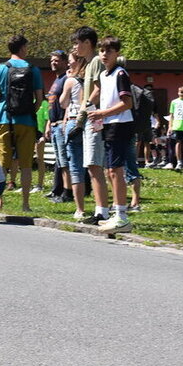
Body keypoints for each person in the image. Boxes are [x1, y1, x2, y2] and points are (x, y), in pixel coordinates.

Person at [0, 34, 44, 213]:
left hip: (4, 119)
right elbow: (39, 99)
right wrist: (29, 112)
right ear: (22, 48)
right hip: (26, 120)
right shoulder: (33, 69)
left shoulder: (0, 69)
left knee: (1, 163)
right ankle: (25, 204)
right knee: (26, 165)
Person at [89, 37, 134, 234]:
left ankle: (122, 217)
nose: (104, 54)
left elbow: (127, 103)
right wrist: (99, 120)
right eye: (102, 51)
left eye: (109, 51)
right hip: (108, 125)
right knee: (110, 171)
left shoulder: (120, 73)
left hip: (120, 125)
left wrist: (103, 114)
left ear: (117, 53)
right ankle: (116, 215)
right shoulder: (104, 75)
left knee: (116, 171)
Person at [73, 26, 110, 224]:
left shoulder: (95, 61)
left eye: (77, 43)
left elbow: (98, 90)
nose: (75, 47)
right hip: (90, 118)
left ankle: (102, 212)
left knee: (95, 165)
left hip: (94, 119)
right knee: (92, 166)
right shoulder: (88, 64)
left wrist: (82, 115)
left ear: (87, 43)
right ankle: (100, 210)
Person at [60, 51, 90, 221]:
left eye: (70, 61)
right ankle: (103, 207)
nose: (68, 64)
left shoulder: (71, 81)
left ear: (77, 62)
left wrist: (67, 80)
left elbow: (63, 103)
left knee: (76, 167)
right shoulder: (92, 80)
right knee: (95, 166)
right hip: (91, 122)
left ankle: (80, 209)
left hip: (74, 121)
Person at [45, 49, 72, 203]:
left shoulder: (66, 79)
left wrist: (64, 122)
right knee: (60, 161)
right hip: (54, 124)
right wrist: (49, 124)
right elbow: (52, 105)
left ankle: (67, 193)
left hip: (62, 124)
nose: (53, 63)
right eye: (52, 61)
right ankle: (59, 190)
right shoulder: (56, 80)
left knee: (65, 160)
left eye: (56, 60)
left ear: (65, 62)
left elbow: (68, 103)